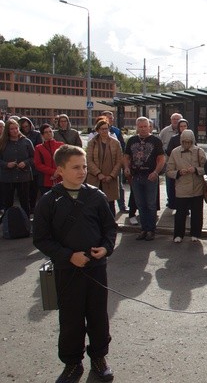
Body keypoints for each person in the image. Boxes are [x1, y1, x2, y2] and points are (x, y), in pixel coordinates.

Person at [32, 144, 117, 383]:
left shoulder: (96, 196)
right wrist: (68, 256)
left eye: (84, 167)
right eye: (75, 167)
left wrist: (106, 248)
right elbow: (41, 238)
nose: (82, 172)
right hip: (67, 270)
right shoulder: (49, 201)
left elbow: (110, 228)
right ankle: (72, 363)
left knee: (98, 316)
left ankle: (99, 358)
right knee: (71, 318)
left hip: (96, 268)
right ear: (60, 170)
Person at [123, 117, 165, 241]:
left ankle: (151, 230)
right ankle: (143, 229)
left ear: (149, 127)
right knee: (140, 204)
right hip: (136, 176)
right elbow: (126, 156)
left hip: (150, 176)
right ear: (137, 127)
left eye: (145, 126)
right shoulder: (131, 140)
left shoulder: (156, 140)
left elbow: (161, 159)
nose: (143, 129)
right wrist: (126, 167)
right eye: (140, 126)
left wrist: (156, 172)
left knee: (151, 204)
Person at [166, 129, 206, 243]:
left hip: (196, 187)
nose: (187, 144)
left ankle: (196, 233)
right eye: (184, 142)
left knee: (197, 212)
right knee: (180, 213)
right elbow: (169, 171)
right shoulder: (175, 152)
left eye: (189, 142)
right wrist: (178, 173)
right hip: (182, 187)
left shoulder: (199, 151)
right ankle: (178, 234)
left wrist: (196, 170)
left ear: (193, 141)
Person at [86, 117, 124, 215]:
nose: (105, 131)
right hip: (95, 178)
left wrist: (111, 175)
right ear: (97, 130)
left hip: (110, 179)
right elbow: (88, 160)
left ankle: (111, 227)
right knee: (95, 204)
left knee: (110, 205)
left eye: (106, 128)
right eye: (102, 129)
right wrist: (98, 174)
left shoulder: (115, 143)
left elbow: (119, 161)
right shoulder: (92, 143)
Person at [0, 118, 34, 215]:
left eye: (16, 128)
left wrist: (26, 163)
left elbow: (33, 158)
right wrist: (6, 164)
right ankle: (8, 224)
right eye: (12, 129)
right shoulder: (2, 143)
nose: (15, 131)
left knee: (24, 202)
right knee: (8, 203)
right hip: (7, 177)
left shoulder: (26, 142)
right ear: (7, 130)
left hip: (23, 177)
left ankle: (26, 224)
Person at [101, 110, 127, 213]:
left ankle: (122, 206)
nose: (110, 120)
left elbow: (122, 146)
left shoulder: (116, 131)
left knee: (119, 185)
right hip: (102, 165)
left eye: (112, 118)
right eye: (108, 118)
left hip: (115, 163)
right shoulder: (96, 132)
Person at [159, 113, 182, 211]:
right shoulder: (165, 131)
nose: (176, 121)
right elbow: (159, 144)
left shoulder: (185, 131)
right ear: (171, 120)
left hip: (182, 163)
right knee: (170, 182)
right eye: (174, 119)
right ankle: (171, 201)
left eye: (178, 119)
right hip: (169, 161)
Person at [34, 123, 64, 195]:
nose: (49, 133)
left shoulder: (61, 145)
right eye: (46, 132)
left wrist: (58, 172)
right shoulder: (39, 148)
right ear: (42, 135)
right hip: (46, 180)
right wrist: (53, 172)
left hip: (60, 179)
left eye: (50, 131)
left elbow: (65, 160)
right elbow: (38, 165)